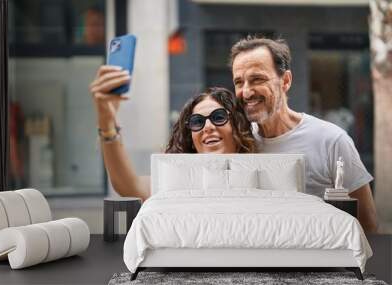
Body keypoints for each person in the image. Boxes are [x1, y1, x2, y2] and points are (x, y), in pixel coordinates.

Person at [230, 36, 378, 233]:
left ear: (286, 81)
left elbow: (368, 226)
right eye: (239, 82)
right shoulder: (239, 144)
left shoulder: (331, 140)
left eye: (257, 79)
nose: (246, 92)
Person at [89, 65, 256, 201]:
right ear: (191, 137)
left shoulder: (261, 169)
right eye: (197, 122)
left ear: (237, 125)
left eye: (218, 117)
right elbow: (128, 185)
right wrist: (107, 123)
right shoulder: (179, 179)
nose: (208, 127)